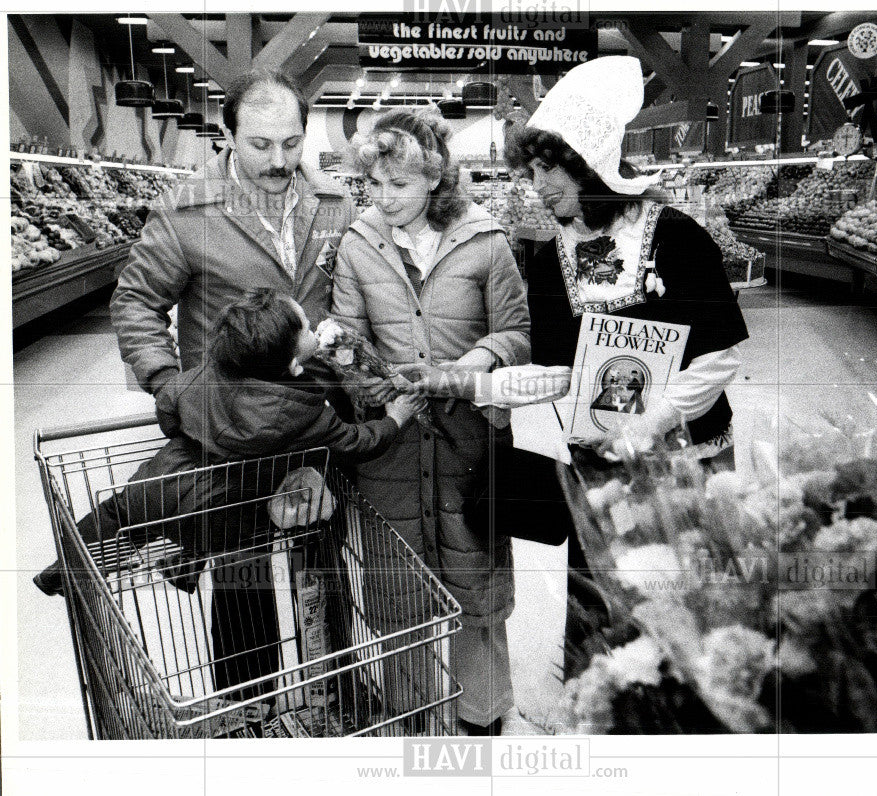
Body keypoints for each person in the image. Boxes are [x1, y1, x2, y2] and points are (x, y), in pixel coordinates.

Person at [108, 68, 359, 693]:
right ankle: (253, 706)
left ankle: (333, 687)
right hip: (232, 429)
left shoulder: (335, 205)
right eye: (260, 144)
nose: (279, 161)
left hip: (312, 416)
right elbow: (136, 302)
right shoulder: (188, 211)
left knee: (322, 559)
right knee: (241, 565)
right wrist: (169, 384)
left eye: (292, 143)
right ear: (228, 135)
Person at [502, 56, 750, 680]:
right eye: (531, 171)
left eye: (549, 168)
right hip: (597, 464)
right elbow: (561, 365)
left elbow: (718, 352)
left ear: (587, 161)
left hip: (685, 455)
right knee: (603, 603)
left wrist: (654, 419)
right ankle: (603, 709)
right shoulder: (547, 254)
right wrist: (507, 388)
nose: (539, 185)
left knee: (692, 600)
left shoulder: (675, 235)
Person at [330, 108, 531, 735]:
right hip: (392, 450)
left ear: (435, 180)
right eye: (376, 184)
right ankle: (412, 722)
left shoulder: (488, 241)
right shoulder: (357, 246)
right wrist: (377, 388)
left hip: (470, 445)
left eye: (401, 184)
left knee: (478, 586)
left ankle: (481, 720)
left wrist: (466, 368)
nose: (384, 199)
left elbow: (517, 335)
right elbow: (346, 341)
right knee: (400, 596)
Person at [34, 288, 422, 597]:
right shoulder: (306, 410)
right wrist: (396, 418)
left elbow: (168, 407)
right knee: (253, 507)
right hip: (220, 515)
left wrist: (192, 433)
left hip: (158, 484)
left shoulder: (208, 371)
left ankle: (64, 571)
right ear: (293, 365)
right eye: (305, 327)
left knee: (118, 516)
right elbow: (358, 443)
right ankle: (184, 564)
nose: (312, 326)